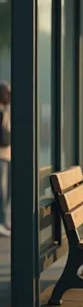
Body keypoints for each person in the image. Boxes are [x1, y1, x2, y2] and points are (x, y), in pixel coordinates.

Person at [0, 81, 11, 237]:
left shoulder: (6, 110)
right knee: (1, 192)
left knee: (6, 191)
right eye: (7, 92)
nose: (9, 95)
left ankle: (3, 221)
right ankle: (2, 222)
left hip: (6, 156)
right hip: (1, 156)